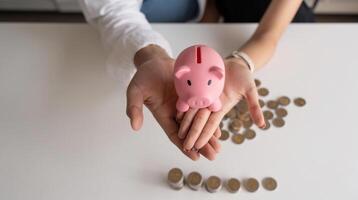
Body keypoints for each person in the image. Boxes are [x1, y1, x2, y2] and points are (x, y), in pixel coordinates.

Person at [79, 0, 313, 161]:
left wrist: (241, 62)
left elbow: (268, 34)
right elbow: (113, 12)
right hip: (158, 19)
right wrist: (151, 54)